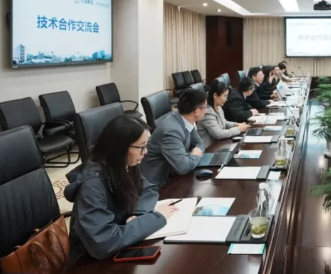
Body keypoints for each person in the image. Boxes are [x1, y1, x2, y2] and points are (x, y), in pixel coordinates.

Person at [65, 116, 176, 263]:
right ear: (120, 148)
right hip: (90, 262)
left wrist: (138, 213)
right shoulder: (92, 187)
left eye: (147, 144)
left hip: (119, 242)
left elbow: (148, 188)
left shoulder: (123, 165)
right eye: (141, 146)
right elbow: (103, 242)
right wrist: (156, 218)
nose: (146, 152)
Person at [140, 89, 208, 188]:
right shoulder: (172, 131)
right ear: (197, 111)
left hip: (172, 176)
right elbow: (183, 167)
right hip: (156, 186)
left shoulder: (184, 119)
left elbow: (200, 144)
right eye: (206, 107)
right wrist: (195, 155)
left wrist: (191, 156)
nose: (206, 111)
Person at [197, 79, 251, 147]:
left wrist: (236, 124)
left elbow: (223, 122)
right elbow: (218, 134)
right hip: (208, 148)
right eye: (225, 96)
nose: (226, 99)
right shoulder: (207, 112)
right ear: (215, 95)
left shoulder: (218, 107)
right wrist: (239, 129)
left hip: (218, 144)